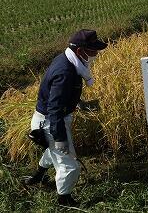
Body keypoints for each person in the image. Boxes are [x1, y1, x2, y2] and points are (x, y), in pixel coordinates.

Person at [25, 29, 108, 207]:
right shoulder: (65, 72)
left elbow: (60, 96)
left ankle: (38, 177)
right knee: (70, 165)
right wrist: (59, 137)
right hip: (50, 123)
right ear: (80, 50)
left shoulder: (67, 59)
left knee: (53, 152)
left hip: (51, 119)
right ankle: (64, 200)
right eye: (93, 50)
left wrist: (79, 103)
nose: (96, 54)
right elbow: (54, 109)